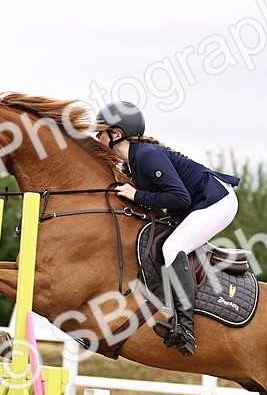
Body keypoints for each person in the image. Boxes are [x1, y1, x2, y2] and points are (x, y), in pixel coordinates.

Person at [94, 101, 241, 356]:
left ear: (116, 134)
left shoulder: (146, 155)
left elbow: (180, 198)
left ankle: (186, 329)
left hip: (217, 202)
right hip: (196, 203)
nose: (97, 138)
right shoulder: (132, 161)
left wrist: (137, 195)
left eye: (100, 133)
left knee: (173, 247)